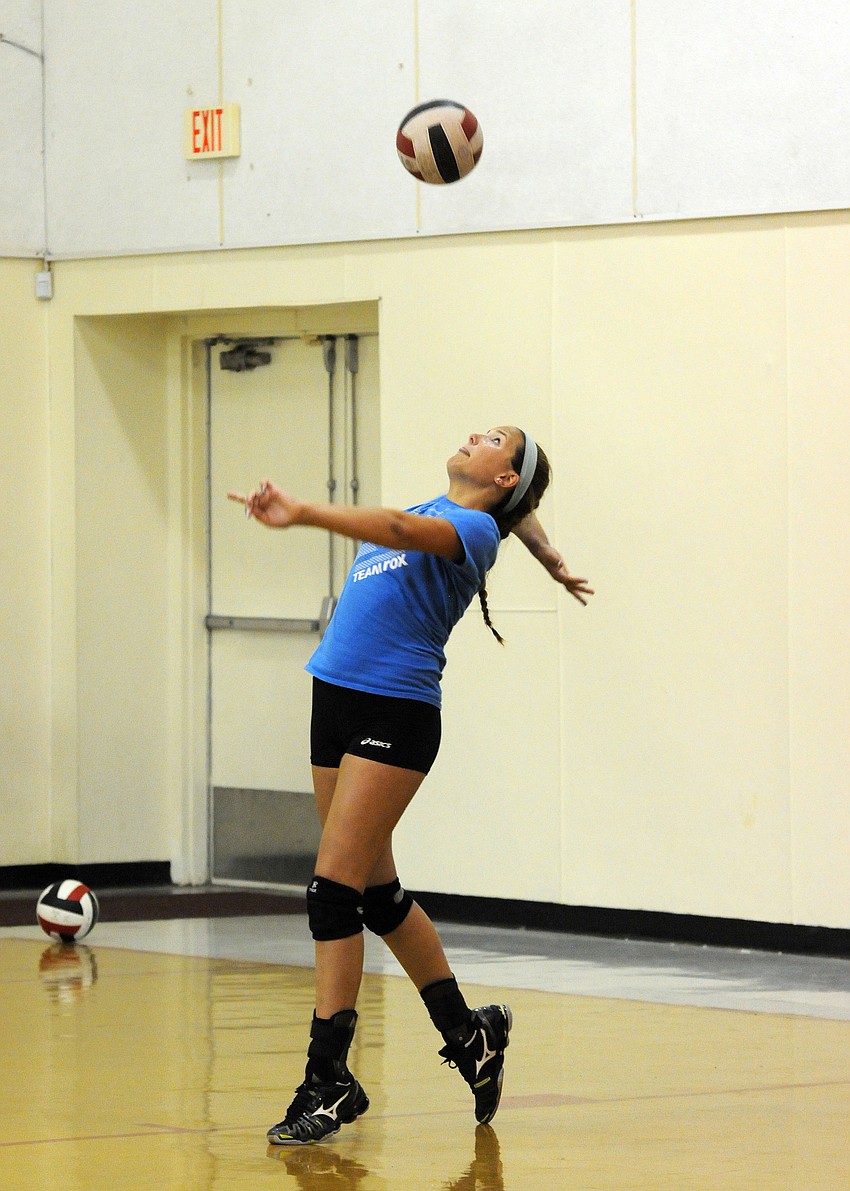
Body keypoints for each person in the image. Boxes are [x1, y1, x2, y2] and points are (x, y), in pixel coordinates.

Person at [228, 426, 592, 1146]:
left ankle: (329, 1079)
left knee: (332, 891)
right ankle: (471, 1033)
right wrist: (548, 553)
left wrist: (302, 513)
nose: (471, 435)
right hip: (332, 696)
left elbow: (400, 525)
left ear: (502, 477)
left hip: (394, 709)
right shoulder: (477, 509)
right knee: (375, 895)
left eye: (492, 439)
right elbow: (522, 508)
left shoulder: (470, 528)